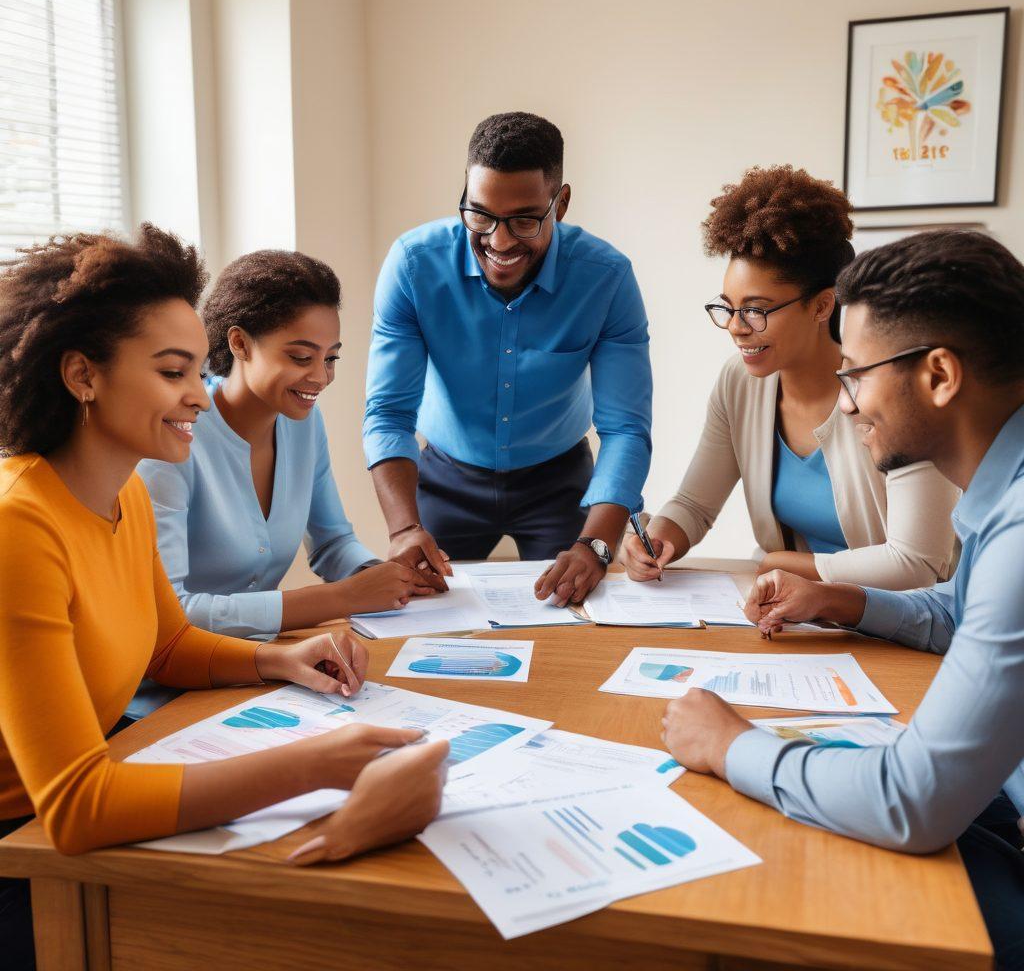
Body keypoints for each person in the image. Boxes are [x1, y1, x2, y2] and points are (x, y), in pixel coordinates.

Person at [0, 227, 448, 970]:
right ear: (83, 375)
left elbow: (168, 644)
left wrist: (281, 660)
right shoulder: (20, 526)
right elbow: (75, 808)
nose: (195, 398)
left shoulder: (125, 495)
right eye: (174, 372)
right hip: (24, 853)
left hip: (99, 784)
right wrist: (318, 763)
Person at [660, 230, 1024, 970]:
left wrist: (731, 745)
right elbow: (959, 611)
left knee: (758, 915)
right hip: (1000, 800)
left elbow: (911, 800)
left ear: (940, 376)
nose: (848, 403)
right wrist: (846, 603)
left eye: (856, 374)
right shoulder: (1001, 494)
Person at [130, 250, 440, 717]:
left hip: (264, 676)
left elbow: (333, 542)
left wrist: (384, 577)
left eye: (330, 358)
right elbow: (174, 614)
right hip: (167, 695)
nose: (320, 377)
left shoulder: (302, 425)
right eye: (300, 357)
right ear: (239, 343)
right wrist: (340, 598)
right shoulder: (172, 442)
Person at [363, 111, 653, 607]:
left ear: (560, 204)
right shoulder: (413, 265)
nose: (498, 241)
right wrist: (403, 528)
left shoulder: (606, 278)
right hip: (446, 476)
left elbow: (625, 428)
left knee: (577, 620)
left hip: (559, 481)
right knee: (425, 619)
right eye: (480, 215)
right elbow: (389, 413)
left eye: (524, 220)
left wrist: (596, 544)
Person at [623, 166, 958, 590]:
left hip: (902, 622)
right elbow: (695, 503)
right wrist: (658, 538)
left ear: (821, 307)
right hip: (795, 614)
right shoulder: (740, 383)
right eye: (728, 306)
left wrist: (779, 563)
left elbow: (917, 565)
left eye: (756, 310)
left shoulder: (894, 390)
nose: (736, 327)